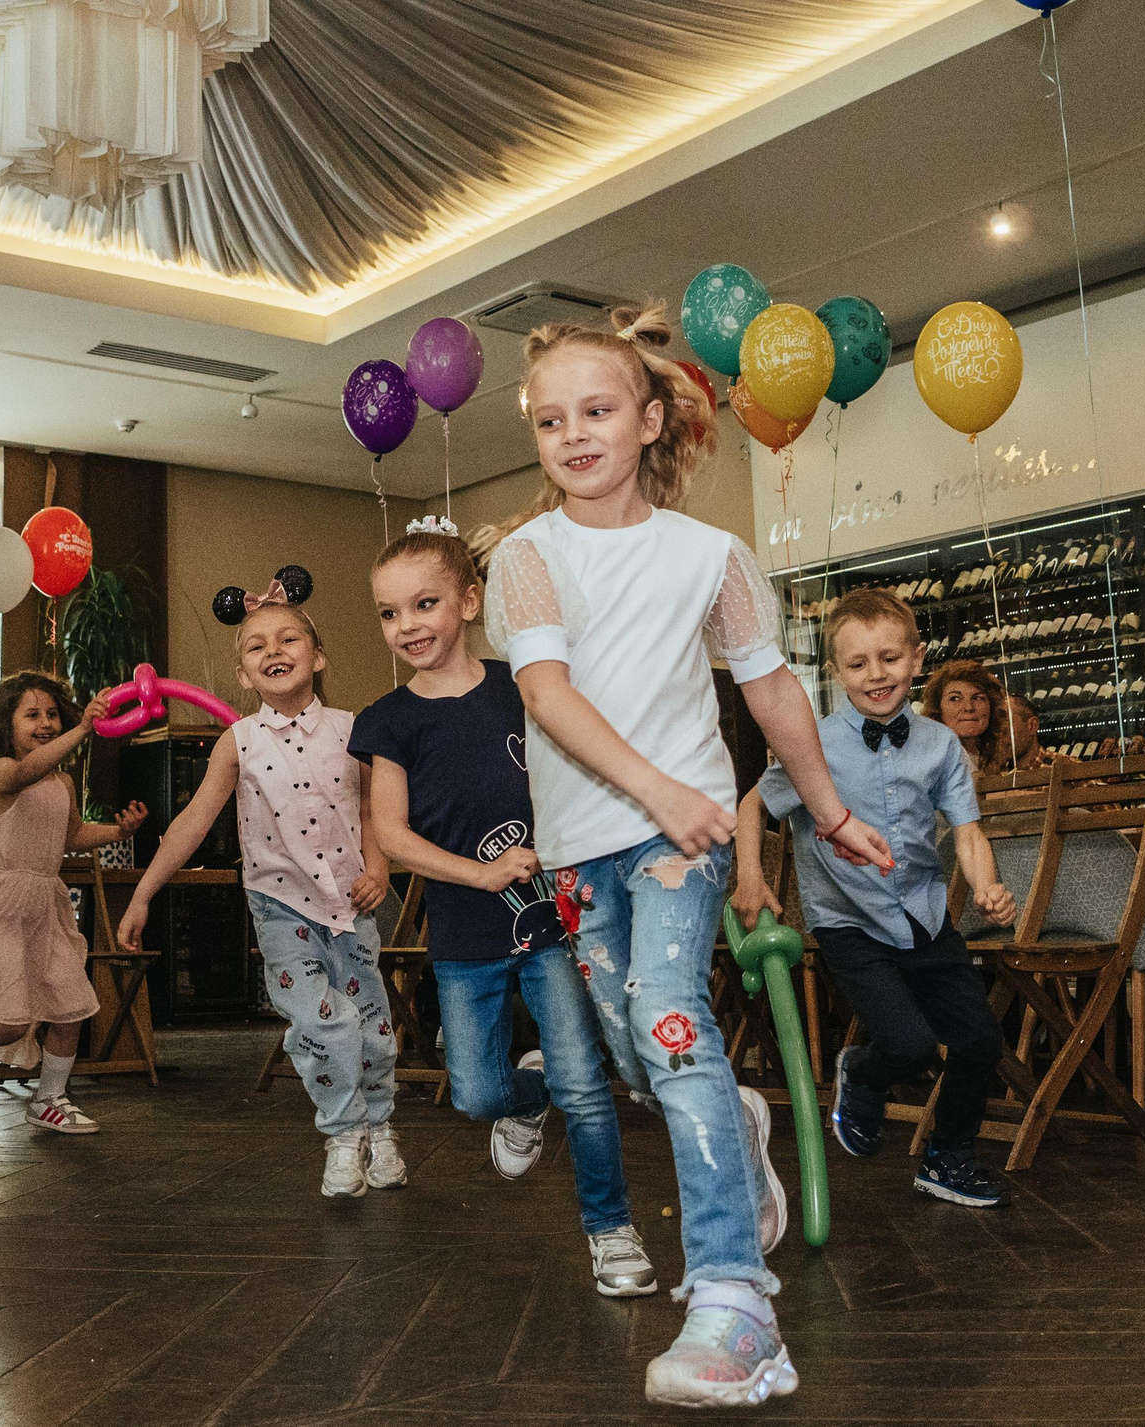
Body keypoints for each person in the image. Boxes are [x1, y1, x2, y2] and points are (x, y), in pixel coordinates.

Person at [480, 303, 893, 1410]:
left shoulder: (713, 555)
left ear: (649, 418)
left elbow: (770, 690)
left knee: (668, 1015)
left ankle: (734, 1303)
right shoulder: (524, 558)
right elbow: (543, 691)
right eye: (550, 419)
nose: (574, 433)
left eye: (598, 409)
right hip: (577, 850)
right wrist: (642, 787)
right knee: (635, 1052)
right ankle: (741, 1121)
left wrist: (827, 809)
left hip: (681, 832)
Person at [352, 524, 656, 1298]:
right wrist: (479, 874)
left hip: (552, 922)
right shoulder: (390, 719)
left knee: (585, 1083)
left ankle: (611, 1226)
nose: (409, 624)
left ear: (470, 600)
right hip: (463, 933)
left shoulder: (521, 684)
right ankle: (528, 1097)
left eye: (425, 603)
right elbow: (391, 833)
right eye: (390, 613)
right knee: (477, 1094)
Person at [116, 594, 407, 1199]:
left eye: (289, 639)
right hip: (281, 907)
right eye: (257, 645)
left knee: (374, 1029)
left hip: (353, 905)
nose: (274, 650)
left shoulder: (356, 729)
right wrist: (143, 893)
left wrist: (377, 868)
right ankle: (342, 1133)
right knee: (322, 1021)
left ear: (318, 656)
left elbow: (377, 811)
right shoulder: (239, 741)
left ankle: (381, 1128)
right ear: (245, 675)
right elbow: (192, 823)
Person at [739, 588, 1016, 1206]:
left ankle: (947, 1158)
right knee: (909, 1045)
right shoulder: (814, 742)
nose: (876, 675)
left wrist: (988, 884)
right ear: (836, 673)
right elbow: (753, 805)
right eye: (858, 663)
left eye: (889, 658)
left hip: (924, 914)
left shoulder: (941, 746)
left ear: (917, 659)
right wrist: (751, 878)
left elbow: (967, 830)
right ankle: (860, 1072)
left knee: (979, 1041)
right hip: (850, 920)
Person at [0, 671, 144, 1140]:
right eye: (32, 715)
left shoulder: (63, 782)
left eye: (52, 714)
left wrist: (118, 832)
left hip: (46, 903)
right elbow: (29, 771)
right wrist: (83, 729)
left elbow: (72, 836)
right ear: (7, 726)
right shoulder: (4, 771)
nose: (45, 722)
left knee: (70, 1006)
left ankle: (49, 1098)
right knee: (8, 1021)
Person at [921, 660, 1004, 775]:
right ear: (938, 708)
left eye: (978, 698)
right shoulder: (935, 757)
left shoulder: (987, 753)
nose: (969, 707)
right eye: (955, 698)